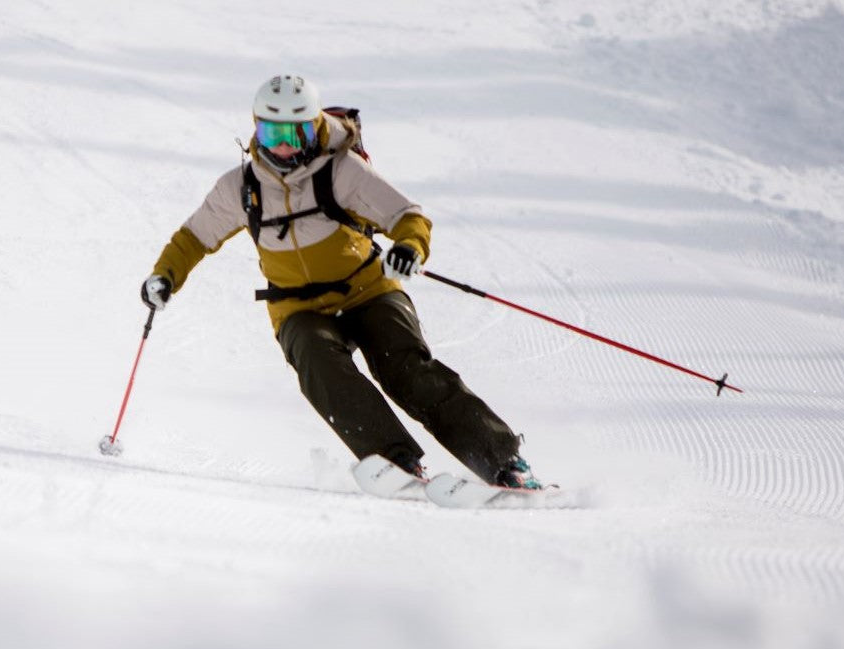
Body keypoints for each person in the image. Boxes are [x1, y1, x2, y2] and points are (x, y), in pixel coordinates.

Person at [139, 74, 544, 490]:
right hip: (298, 307)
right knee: (318, 362)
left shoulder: (342, 172)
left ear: (313, 127)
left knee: (405, 368)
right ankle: (396, 463)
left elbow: (408, 217)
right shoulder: (242, 188)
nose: (281, 144)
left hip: (368, 290)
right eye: (270, 130)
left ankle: (504, 461)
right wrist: (164, 275)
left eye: (293, 133)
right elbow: (193, 237)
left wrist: (409, 248)